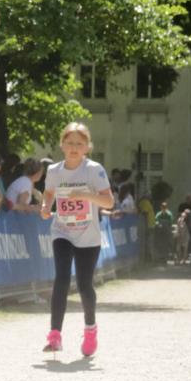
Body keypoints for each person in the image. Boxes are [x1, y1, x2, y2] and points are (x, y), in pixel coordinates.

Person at [39, 123, 114, 357]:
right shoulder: (54, 171)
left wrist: (85, 195)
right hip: (62, 231)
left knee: (84, 285)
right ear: (62, 145)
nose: (73, 148)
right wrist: (45, 206)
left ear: (87, 148)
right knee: (61, 279)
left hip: (88, 236)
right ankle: (55, 335)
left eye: (79, 144)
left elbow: (109, 202)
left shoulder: (94, 170)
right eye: (69, 143)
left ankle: (90, 329)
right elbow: (49, 192)